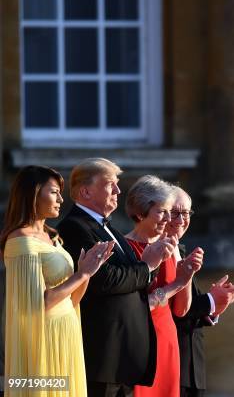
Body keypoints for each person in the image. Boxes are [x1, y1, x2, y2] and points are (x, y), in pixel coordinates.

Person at [57, 158, 174, 397]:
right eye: (110, 184)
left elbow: (131, 278)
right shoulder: (75, 227)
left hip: (123, 358)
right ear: (86, 191)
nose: (118, 190)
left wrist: (148, 265)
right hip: (103, 355)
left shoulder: (108, 227)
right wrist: (148, 265)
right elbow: (104, 281)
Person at [1, 165, 115, 396]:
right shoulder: (21, 241)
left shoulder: (53, 238)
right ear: (33, 194)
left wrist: (87, 272)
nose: (61, 199)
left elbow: (72, 300)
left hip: (67, 330)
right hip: (43, 340)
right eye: (54, 192)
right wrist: (82, 274)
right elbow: (37, 304)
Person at [124, 176, 203, 397]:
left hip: (166, 339)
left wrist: (187, 274)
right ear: (141, 212)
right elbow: (133, 306)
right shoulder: (124, 247)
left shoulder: (170, 245)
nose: (170, 219)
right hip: (140, 339)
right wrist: (177, 283)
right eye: (165, 212)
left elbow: (180, 309)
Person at [167, 186, 234, 397]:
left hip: (192, 367)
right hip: (169, 363)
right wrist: (210, 300)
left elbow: (187, 306)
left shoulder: (180, 249)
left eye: (186, 213)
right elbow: (167, 307)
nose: (182, 220)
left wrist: (214, 307)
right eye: (175, 212)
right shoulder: (154, 251)